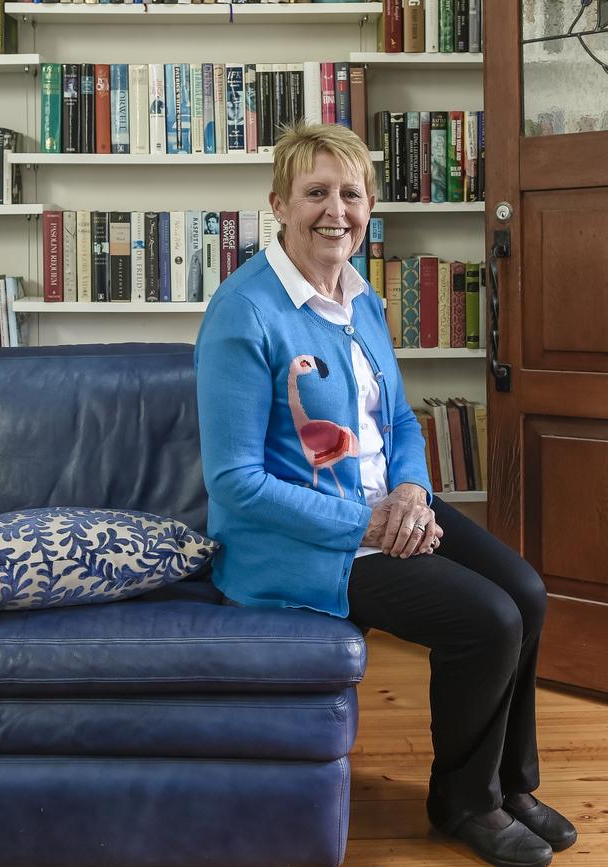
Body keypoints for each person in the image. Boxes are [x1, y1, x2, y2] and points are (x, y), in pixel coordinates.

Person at [194, 122, 577, 867]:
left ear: (369, 205)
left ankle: (507, 779)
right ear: (279, 203)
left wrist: (410, 490)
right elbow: (235, 483)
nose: (335, 210)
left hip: (383, 508)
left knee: (526, 592)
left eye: (351, 193)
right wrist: (368, 518)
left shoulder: (361, 296)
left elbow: (398, 418)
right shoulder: (245, 313)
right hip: (300, 543)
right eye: (315, 193)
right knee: (487, 620)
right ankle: (462, 800)